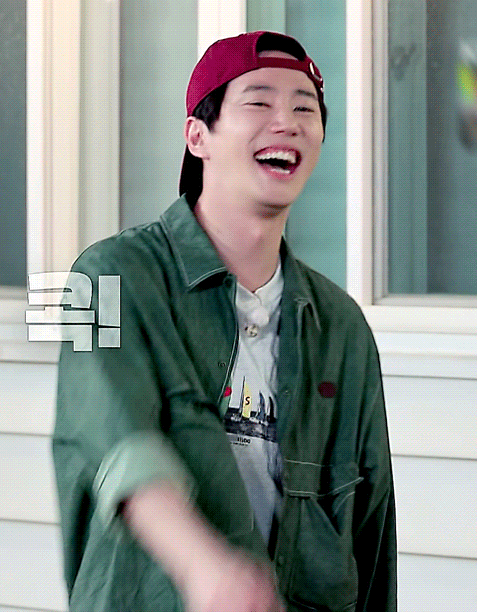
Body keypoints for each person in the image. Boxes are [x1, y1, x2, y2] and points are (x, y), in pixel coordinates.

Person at [53, 31, 396, 612]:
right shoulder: (105, 276)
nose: (286, 123)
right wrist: (203, 565)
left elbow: (372, 528)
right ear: (198, 136)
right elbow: (114, 441)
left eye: (305, 109)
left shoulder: (342, 326)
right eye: (259, 102)